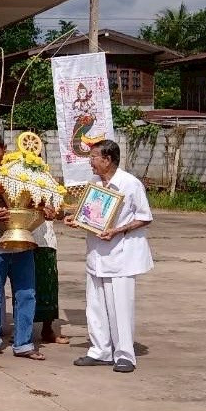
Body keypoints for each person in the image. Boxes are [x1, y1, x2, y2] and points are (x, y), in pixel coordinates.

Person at [67, 139, 153, 373]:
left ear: (107, 159)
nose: (90, 162)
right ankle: (100, 350)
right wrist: (76, 219)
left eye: (94, 157)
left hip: (121, 256)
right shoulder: (95, 184)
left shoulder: (130, 184)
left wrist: (118, 230)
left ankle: (125, 355)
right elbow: (90, 215)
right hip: (96, 254)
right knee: (95, 306)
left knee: (120, 308)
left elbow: (145, 217)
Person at [0, 132, 54, 361]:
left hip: (23, 243)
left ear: (4, 149)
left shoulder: (24, 172)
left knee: (26, 293)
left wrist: (46, 208)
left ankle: (24, 344)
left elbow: (40, 200)